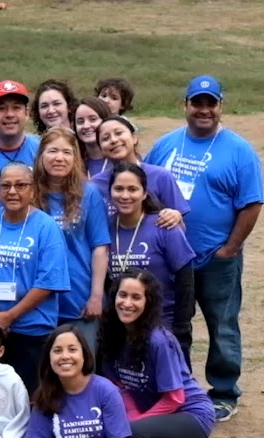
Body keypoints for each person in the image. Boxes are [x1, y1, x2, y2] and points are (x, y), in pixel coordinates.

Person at [100, 270, 213, 438]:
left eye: (136, 297)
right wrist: (134, 422)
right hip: (158, 415)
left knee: (129, 433)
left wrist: (136, 425)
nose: (127, 303)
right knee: (125, 430)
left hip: (191, 415)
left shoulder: (158, 340)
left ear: (148, 302)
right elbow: (120, 387)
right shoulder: (113, 334)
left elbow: (175, 398)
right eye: (122, 295)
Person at [0, 163, 67, 391]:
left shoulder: (46, 227)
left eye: (20, 185)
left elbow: (48, 281)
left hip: (31, 330)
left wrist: (9, 316)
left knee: (28, 397)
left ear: (33, 190)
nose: (12, 191)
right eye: (6, 186)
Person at [32, 128, 111, 348]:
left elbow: (100, 247)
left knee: (81, 369)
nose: (59, 158)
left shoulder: (89, 193)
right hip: (37, 301)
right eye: (53, 151)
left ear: (75, 158)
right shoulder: (28, 193)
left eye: (67, 152)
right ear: (41, 156)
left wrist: (96, 296)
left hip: (79, 297)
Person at [106, 162, 195, 344]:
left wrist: (181, 327)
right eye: (119, 189)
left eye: (132, 189)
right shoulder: (104, 228)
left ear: (144, 193)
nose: (125, 196)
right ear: (110, 192)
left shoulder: (164, 226)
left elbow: (185, 279)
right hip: (121, 325)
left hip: (164, 323)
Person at [91, 116, 187, 219]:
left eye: (119, 133)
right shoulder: (94, 185)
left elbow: (179, 222)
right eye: (105, 138)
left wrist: (176, 216)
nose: (113, 140)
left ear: (134, 138)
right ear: (101, 149)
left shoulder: (161, 176)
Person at [72, 97, 112, 177]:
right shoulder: (72, 164)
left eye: (93, 119)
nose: (86, 126)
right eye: (80, 122)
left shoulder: (120, 160)